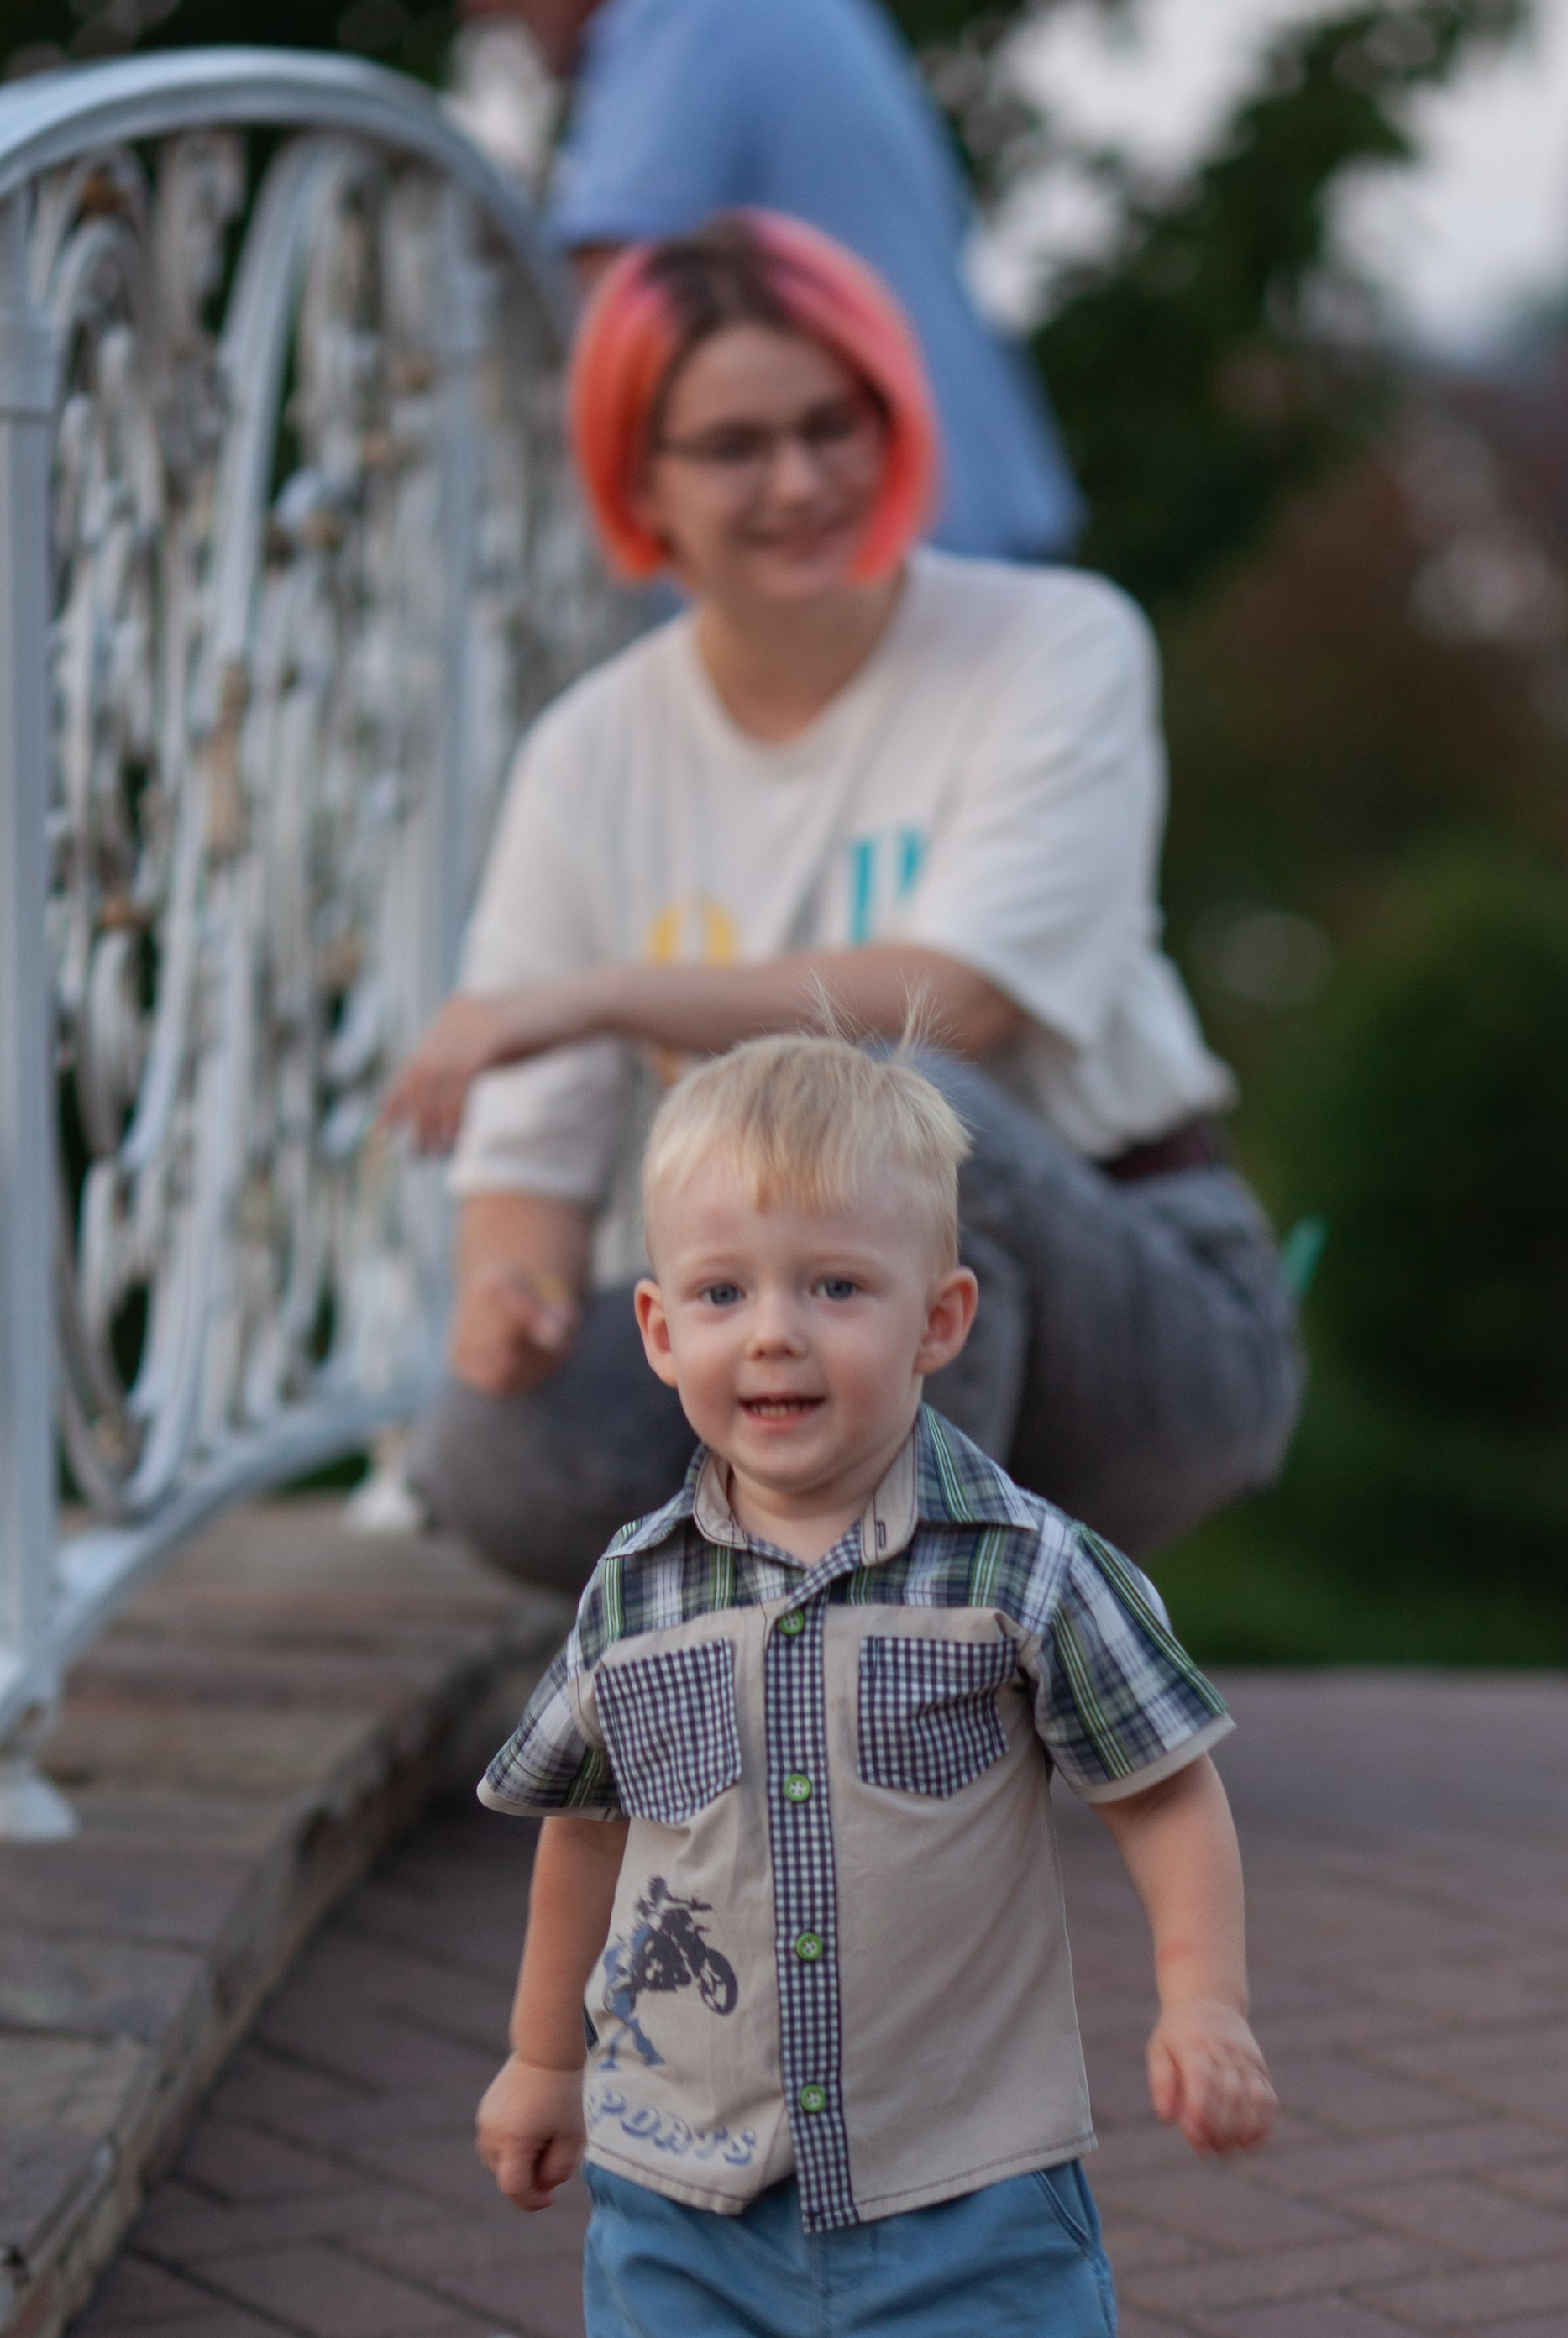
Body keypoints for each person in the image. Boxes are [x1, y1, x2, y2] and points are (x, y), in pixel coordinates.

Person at [473, 1030, 1277, 2338]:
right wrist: (540, 2058)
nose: (778, 1334)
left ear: (937, 1318)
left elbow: (1163, 1782)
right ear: (654, 1326)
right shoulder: (635, 1591)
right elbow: (586, 1815)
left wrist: (1199, 1997)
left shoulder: (1019, 1570)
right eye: (728, 1289)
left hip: (959, 2180)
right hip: (686, 2187)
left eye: (834, 1287)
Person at [385, 212, 1300, 1596]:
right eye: (736, 447)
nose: (802, 480)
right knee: (493, 1450)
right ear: (641, 474)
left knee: (903, 1111)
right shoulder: (590, 752)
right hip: (781, 1330)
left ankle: (892, 1699)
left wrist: (603, 994)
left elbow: (967, 1002)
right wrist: (507, 1294)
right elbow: (527, 1161)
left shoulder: (1057, 644)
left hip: (1122, 1317)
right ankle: (760, 1637)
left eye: (834, 424)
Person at [482, 0, 1078, 561]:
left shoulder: (690, 15)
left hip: (890, 558)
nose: (478, 8)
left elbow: (605, 295)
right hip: (953, 530)